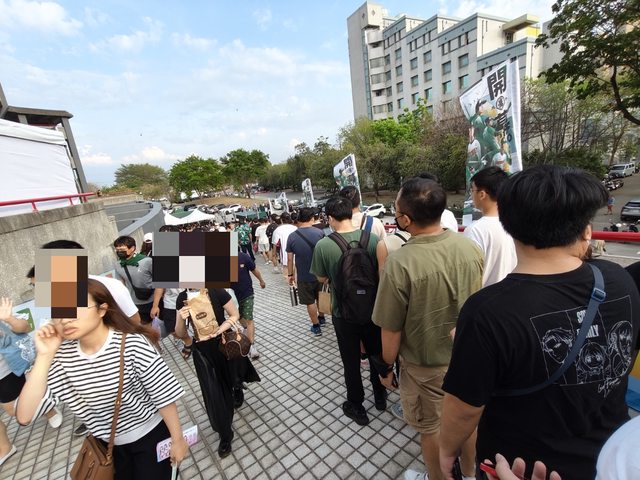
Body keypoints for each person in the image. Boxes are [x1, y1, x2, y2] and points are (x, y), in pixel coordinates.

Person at [439, 165, 640, 480]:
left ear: (509, 226)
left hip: (516, 467)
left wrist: (447, 450)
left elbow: (464, 408)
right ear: (587, 230)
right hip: (607, 460)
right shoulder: (619, 281)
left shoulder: (487, 312)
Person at [16, 279, 189, 479]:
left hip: (151, 439)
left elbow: (163, 395)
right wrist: (44, 356)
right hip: (106, 448)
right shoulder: (59, 358)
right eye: (58, 313)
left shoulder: (132, 344)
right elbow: (25, 416)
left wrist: (177, 439)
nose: (65, 319)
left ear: (102, 309)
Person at [372, 177, 483, 480]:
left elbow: (391, 328)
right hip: (468, 357)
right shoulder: (470, 248)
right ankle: (470, 474)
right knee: (467, 420)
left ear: (405, 219)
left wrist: (386, 367)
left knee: (430, 427)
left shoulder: (400, 263)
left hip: (425, 366)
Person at [310, 196, 385, 426]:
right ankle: (380, 396)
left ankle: (357, 405)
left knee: (351, 361)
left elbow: (321, 277)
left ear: (330, 218)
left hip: (343, 314)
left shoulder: (324, 245)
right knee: (376, 354)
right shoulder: (372, 240)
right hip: (373, 311)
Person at [175, 287, 260, 458]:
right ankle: (225, 434)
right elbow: (180, 333)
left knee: (232, 378)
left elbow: (234, 315)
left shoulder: (216, 291)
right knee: (214, 393)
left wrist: (219, 330)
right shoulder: (182, 299)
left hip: (225, 344)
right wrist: (180, 318)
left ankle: (237, 387)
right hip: (203, 352)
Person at [0, 298, 62, 467]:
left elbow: (25, 327)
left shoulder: (3, 311)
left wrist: (8, 319)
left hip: (8, 366)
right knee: (11, 409)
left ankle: (48, 410)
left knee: (14, 405)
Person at [463, 166, 517, 286]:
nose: (471, 195)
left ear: (482, 194)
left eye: (472, 190)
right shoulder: (516, 226)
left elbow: (468, 275)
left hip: (484, 294)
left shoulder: (475, 230)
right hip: (512, 292)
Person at [286, 207, 326, 335]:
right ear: (312, 218)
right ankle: (322, 318)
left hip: (304, 276)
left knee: (310, 302)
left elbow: (290, 259)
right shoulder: (320, 233)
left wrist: (290, 274)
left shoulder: (292, 236)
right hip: (320, 273)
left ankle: (316, 326)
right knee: (320, 297)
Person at [113, 235, 159, 323]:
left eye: (122, 250)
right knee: (143, 326)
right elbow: (121, 285)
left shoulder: (147, 261)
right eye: (117, 250)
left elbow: (159, 284)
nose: (119, 252)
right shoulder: (118, 265)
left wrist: (155, 305)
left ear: (132, 248)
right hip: (134, 303)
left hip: (152, 300)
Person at [230, 251, 266, 359]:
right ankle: (246, 328)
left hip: (247, 293)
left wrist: (261, 281)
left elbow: (254, 269)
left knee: (249, 318)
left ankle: (251, 346)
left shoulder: (243, 256)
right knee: (239, 316)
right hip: (232, 296)